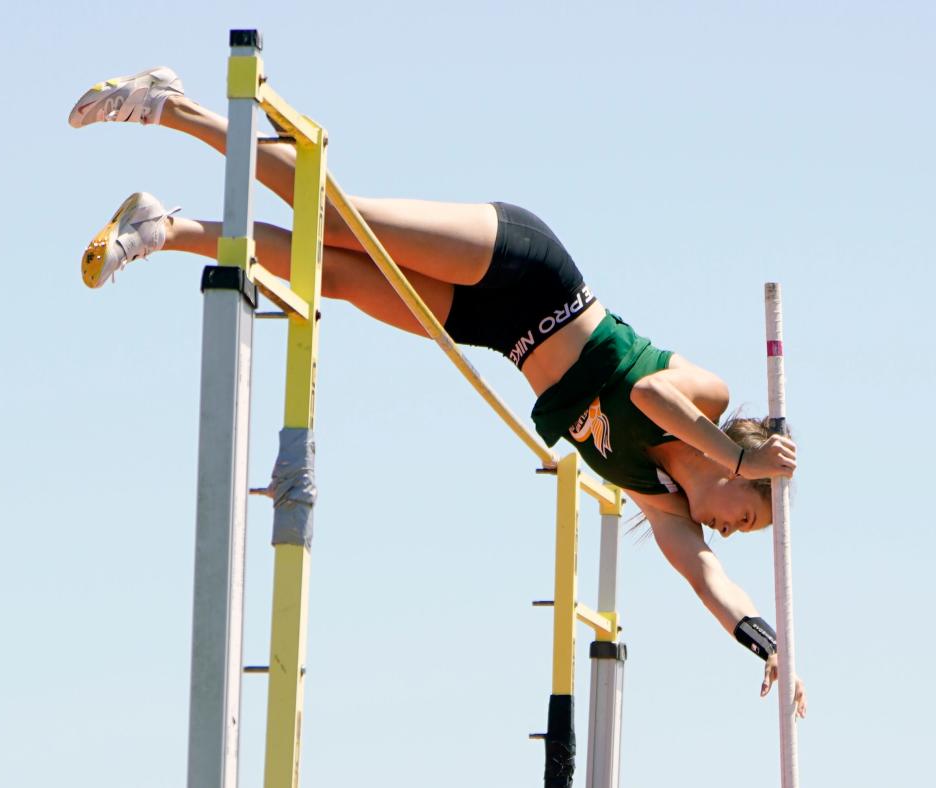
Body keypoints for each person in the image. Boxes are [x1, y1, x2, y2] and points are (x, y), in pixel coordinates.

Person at [70, 67, 806, 716]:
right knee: (336, 218)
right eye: (746, 519)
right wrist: (744, 463)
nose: (730, 532)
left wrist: (768, 643)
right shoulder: (707, 398)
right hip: (528, 270)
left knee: (334, 275)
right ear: (740, 466)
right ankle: (173, 105)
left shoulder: (660, 498)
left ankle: (166, 226)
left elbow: (708, 581)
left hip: (500, 332)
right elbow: (651, 399)